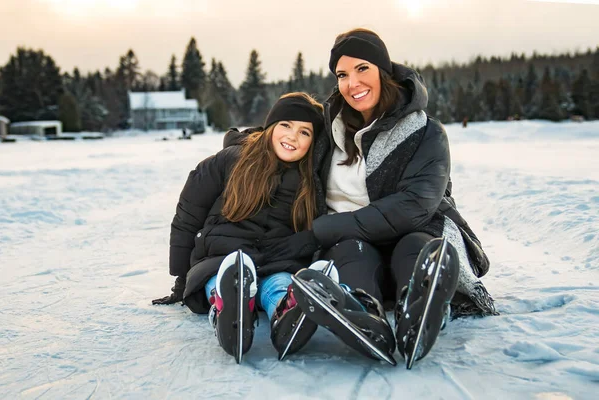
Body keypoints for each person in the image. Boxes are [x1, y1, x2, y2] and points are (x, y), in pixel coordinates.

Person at [285, 28, 497, 364]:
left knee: (415, 247)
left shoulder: (426, 132)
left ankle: (420, 309)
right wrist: (241, 147)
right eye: (342, 74)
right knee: (351, 254)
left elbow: (414, 205)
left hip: (411, 231)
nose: (352, 83)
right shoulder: (330, 130)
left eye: (362, 69)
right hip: (349, 243)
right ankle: (364, 316)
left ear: (382, 69)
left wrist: (324, 229)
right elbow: (284, 138)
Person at [152, 92, 326, 361]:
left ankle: (286, 315)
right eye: (286, 125)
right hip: (222, 257)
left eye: (304, 132)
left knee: (279, 285)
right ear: (270, 127)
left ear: (312, 143)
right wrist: (181, 277)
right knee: (225, 279)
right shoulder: (230, 160)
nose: (293, 136)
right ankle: (228, 309)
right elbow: (188, 215)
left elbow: (313, 230)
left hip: (275, 261)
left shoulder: (309, 182)